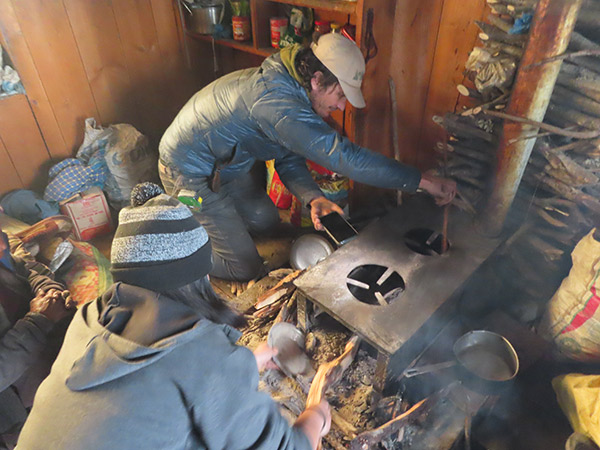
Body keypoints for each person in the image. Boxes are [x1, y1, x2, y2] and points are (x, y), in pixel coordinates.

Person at [17, 182, 331, 450]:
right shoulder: (206, 359)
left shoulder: (90, 315)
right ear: (200, 279)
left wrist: (243, 363)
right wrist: (316, 416)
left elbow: (159, 382)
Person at [158, 32, 457, 288]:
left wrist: (313, 198)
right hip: (188, 172)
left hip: (227, 168)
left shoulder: (291, 86)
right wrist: (423, 181)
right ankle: (173, 246)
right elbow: (346, 158)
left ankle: (217, 221)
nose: (341, 106)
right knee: (244, 267)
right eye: (340, 94)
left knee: (264, 220)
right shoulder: (279, 106)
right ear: (316, 80)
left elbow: (287, 158)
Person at [0, 228, 73, 448]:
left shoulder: (3, 247)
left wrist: (49, 290)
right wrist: (39, 321)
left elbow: (26, 269)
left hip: (57, 361)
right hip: (19, 417)